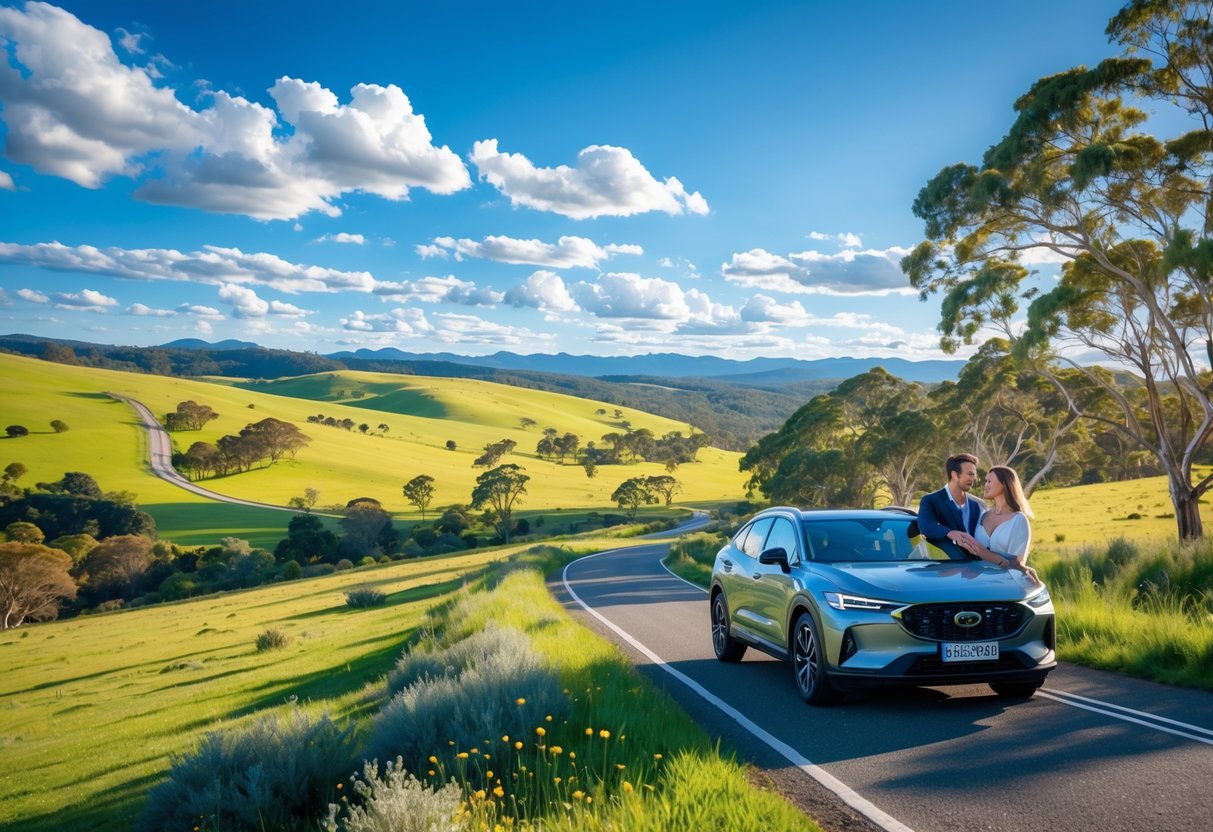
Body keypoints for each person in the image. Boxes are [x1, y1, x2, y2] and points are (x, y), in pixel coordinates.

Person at [963, 465, 1040, 582]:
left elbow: (1017, 564)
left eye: (989, 481)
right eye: (985, 481)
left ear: (1004, 484)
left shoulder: (1018, 520)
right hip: (975, 582)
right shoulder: (981, 515)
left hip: (1003, 584)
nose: (986, 485)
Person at [917, 453, 985, 556]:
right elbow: (926, 526)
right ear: (954, 475)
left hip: (979, 565)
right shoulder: (930, 500)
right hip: (948, 567)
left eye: (974, 475)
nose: (973, 478)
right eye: (970, 474)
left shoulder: (978, 504)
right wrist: (950, 533)